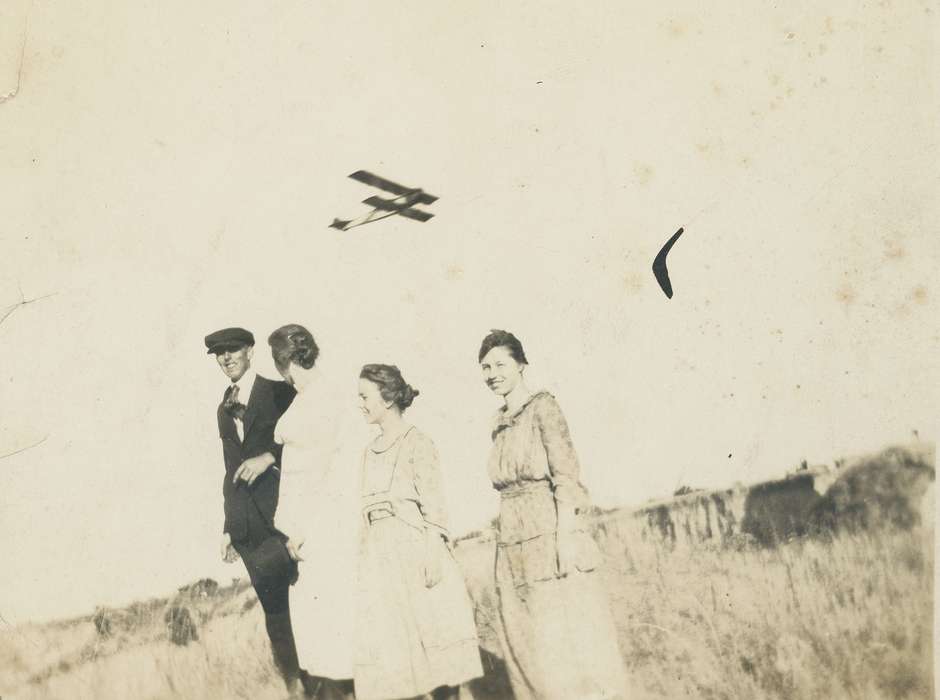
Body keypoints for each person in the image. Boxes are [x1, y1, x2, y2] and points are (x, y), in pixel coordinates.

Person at [478, 330, 628, 700]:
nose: (492, 373)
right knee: (523, 639)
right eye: (485, 367)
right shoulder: (496, 422)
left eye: (500, 364)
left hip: (548, 535)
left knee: (560, 639)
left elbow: (566, 476)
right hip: (510, 543)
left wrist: (566, 539)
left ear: (521, 364)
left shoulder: (543, 407)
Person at [354, 364, 483, 700]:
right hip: (381, 566)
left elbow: (435, 508)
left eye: (365, 396)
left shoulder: (418, 442)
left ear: (387, 397)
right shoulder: (367, 453)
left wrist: (432, 555)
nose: (361, 404)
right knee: (398, 658)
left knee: (437, 652)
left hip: (417, 557)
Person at [205, 327, 301, 696]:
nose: (226, 358)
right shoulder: (223, 407)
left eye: (232, 350)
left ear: (249, 351)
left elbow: (307, 442)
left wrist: (268, 458)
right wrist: (229, 527)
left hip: (285, 517)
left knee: (302, 605)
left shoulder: (279, 392)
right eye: (219, 354)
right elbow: (230, 469)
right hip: (249, 530)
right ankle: (296, 688)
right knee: (275, 615)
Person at [267, 324, 358, 700]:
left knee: (335, 630)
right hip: (302, 529)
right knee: (320, 632)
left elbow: (335, 473)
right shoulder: (307, 399)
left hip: (324, 527)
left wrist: (305, 528)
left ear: (282, 363)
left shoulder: (329, 398)